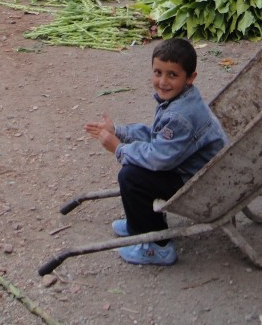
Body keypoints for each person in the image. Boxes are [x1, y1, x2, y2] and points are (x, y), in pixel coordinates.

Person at [85, 38, 228, 266]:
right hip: (192, 168)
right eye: (158, 72)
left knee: (131, 176)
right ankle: (138, 225)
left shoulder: (180, 115)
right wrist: (118, 131)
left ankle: (158, 248)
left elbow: (157, 158)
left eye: (172, 75)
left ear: (190, 78)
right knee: (135, 168)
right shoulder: (180, 99)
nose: (163, 81)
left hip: (199, 181)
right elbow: (156, 135)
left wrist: (118, 148)